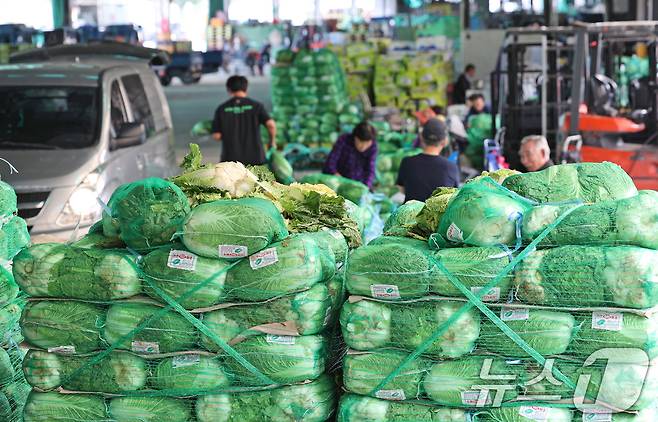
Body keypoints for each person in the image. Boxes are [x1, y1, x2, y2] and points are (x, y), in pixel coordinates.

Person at [211, 75, 276, 165]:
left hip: (231, 161)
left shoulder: (222, 109)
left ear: (229, 89)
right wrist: (272, 142)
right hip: (256, 158)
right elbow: (271, 125)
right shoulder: (256, 106)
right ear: (246, 88)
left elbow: (216, 136)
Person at [397, 118, 460, 202]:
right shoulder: (451, 167)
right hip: (439, 215)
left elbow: (401, 189)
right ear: (445, 141)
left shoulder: (407, 162)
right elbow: (454, 195)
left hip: (411, 214)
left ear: (421, 137)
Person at [323, 121, 378, 189]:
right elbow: (330, 162)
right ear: (355, 137)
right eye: (361, 142)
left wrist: (365, 186)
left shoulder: (373, 147)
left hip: (358, 184)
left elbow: (370, 170)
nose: (363, 146)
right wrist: (336, 176)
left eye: (367, 143)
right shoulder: (343, 140)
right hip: (337, 182)